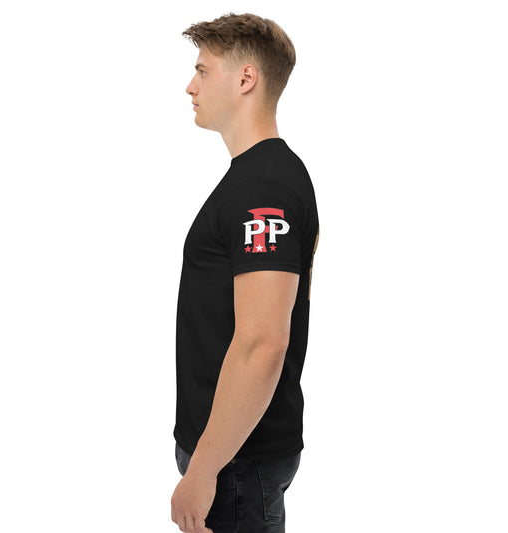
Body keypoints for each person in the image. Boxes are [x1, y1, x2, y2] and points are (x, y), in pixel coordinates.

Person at [170, 12, 320, 533]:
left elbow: (263, 343)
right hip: (233, 457)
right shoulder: (258, 178)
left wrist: (204, 469)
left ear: (246, 78)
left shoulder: (264, 189)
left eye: (202, 71)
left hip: (236, 463)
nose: (190, 86)